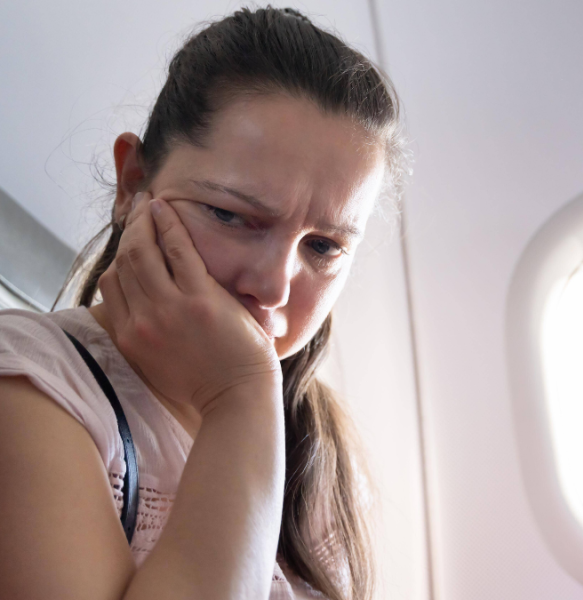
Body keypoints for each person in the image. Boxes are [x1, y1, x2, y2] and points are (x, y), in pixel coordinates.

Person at [0, 6, 406, 600]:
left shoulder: (314, 446)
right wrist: (240, 398)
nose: (273, 286)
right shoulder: (30, 391)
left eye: (322, 246)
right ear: (132, 182)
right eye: (231, 215)